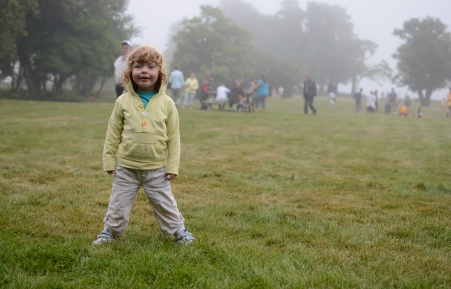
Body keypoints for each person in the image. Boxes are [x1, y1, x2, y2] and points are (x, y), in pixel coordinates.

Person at [93, 45, 195, 245]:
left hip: (157, 168)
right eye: (138, 66)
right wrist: (109, 160)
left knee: (165, 204)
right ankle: (110, 231)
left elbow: (174, 138)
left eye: (151, 66)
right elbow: (113, 133)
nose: (145, 71)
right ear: (130, 72)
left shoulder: (167, 103)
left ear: (161, 73)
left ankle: (179, 232)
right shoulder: (122, 101)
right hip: (126, 168)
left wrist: (172, 165)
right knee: (118, 203)